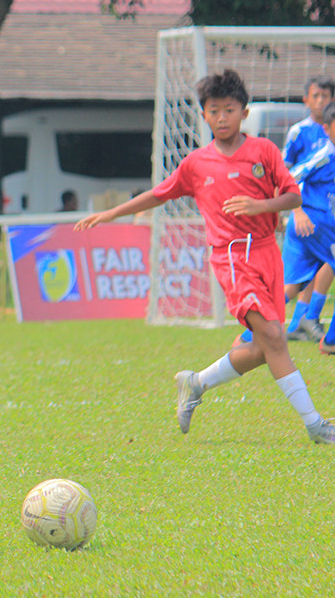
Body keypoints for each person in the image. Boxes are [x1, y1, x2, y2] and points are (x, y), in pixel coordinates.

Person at [75, 69, 335, 445]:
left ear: (244, 113)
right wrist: (111, 213)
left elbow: (294, 196)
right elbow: (159, 193)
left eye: (229, 110)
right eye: (214, 111)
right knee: (276, 336)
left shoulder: (263, 151)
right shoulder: (197, 164)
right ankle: (316, 425)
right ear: (205, 115)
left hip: (267, 254)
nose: (222, 117)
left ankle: (197, 382)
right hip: (232, 259)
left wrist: (261, 205)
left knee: (265, 347)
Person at [280, 76, 335, 342]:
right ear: (306, 100)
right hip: (305, 211)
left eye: (326, 96)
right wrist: (293, 209)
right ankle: (310, 319)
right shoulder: (300, 132)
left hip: (323, 213)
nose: (321, 101)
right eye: (316, 96)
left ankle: (296, 324)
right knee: (322, 264)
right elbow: (286, 172)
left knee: (305, 275)